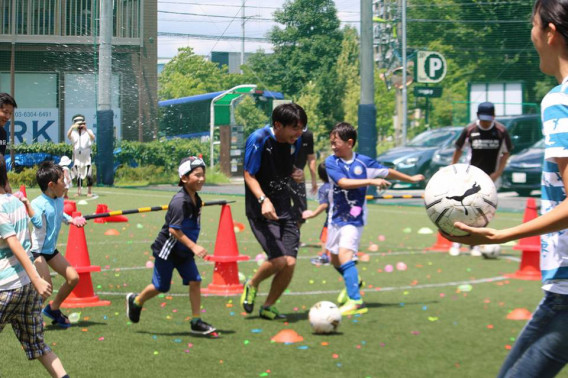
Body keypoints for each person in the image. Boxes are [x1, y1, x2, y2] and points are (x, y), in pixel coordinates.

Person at [446, 1, 568, 376]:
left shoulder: (560, 101)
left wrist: (503, 234)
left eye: (532, 26)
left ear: (549, 32)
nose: (530, 36)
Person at [325, 122, 425, 315]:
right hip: (335, 217)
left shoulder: (364, 163)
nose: (332, 146)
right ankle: (354, 280)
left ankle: (356, 301)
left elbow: (388, 172)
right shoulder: (332, 162)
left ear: (349, 142)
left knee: (346, 255)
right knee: (334, 259)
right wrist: (371, 181)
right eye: (331, 142)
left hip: (354, 217)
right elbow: (343, 183)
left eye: (335, 142)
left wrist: (411, 179)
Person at [126, 156, 216, 335]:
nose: (201, 179)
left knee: (195, 281)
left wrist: (190, 247)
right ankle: (136, 301)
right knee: (161, 286)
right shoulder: (179, 201)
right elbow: (174, 231)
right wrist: (195, 247)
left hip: (184, 251)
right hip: (167, 251)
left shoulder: (196, 199)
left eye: (203, 175)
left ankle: (196, 321)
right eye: (197, 175)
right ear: (184, 178)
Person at [0, 156, 69, 377]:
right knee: (39, 346)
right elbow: (27, 238)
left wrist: (39, 278)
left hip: (6, 289)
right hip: (27, 289)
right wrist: (34, 280)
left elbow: (15, 245)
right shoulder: (16, 202)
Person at [240, 103, 307, 320]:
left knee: (290, 262)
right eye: (294, 128)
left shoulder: (294, 142)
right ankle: (252, 284)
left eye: (301, 128)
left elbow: (287, 169)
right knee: (278, 260)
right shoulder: (258, 139)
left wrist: (296, 173)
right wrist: (263, 200)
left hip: (285, 210)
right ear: (278, 125)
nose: (298, 134)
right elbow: (249, 175)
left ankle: (268, 306)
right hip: (261, 211)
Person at [448, 101, 513, 256]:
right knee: (464, 207)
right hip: (470, 176)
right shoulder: (470, 129)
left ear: (494, 117)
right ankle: (457, 242)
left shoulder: (501, 131)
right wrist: (453, 169)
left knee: (483, 211)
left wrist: (498, 173)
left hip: (490, 177)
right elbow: (458, 149)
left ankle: (476, 244)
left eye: (488, 119)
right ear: (478, 116)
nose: (485, 122)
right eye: (483, 118)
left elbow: (506, 153)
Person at [31, 161, 86, 328]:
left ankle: (53, 308)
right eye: (63, 180)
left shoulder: (58, 199)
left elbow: (60, 214)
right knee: (46, 287)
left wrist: (72, 220)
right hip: (37, 251)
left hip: (50, 250)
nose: (66, 183)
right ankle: (30, 316)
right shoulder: (37, 204)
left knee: (73, 278)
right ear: (51, 185)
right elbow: (35, 221)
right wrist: (28, 209)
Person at [304, 162, 332, 265]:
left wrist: (313, 214)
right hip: (344, 216)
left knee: (324, 237)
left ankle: (324, 257)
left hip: (332, 218)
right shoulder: (339, 185)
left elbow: (324, 205)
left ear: (320, 176)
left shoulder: (324, 189)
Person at [290, 130, 317, 229]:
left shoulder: (307, 135)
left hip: (299, 177)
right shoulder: (286, 131)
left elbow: (311, 158)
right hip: (281, 175)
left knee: (302, 210)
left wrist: (313, 180)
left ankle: (294, 238)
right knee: (281, 207)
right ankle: (283, 238)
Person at [66, 114, 95, 197]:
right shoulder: (73, 133)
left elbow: (93, 138)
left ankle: (89, 191)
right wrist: (72, 127)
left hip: (86, 154)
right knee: (78, 173)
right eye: (78, 124)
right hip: (77, 155)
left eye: (81, 124)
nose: (80, 126)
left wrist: (86, 129)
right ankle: (79, 191)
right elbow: (68, 135)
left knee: (89, 174)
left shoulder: (88, 131)